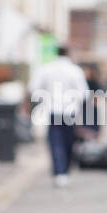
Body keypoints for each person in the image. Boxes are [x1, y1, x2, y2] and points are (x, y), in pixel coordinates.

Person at [29, 45, 88, 186]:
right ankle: (65, 170)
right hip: (70, 111)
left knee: (56, 142)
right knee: (68, 142)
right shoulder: (75, 70)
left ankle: (59, 172)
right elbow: (84, 92)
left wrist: (45, 99)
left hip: (53, 110)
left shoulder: (46, 69)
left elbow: (34, 88)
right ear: (68, 54)